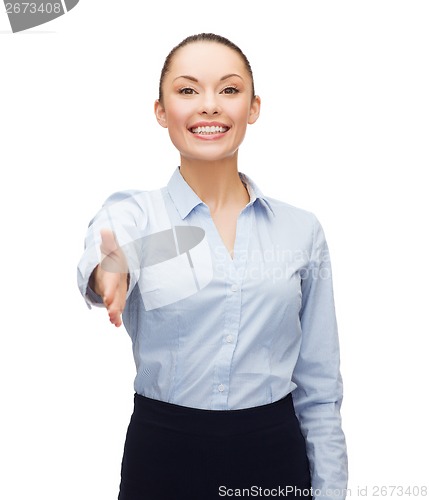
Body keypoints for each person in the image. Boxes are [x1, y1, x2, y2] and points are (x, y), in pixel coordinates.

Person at [77, 33, 348, 500]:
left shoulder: (301, 231)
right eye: (187, 90)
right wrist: (110, 269)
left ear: (253, 107)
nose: (210, 105)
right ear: (161, 111)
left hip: (274, 458)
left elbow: (320, 388)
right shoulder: (137, 215)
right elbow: (109, 249)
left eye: (228, 89)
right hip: (162, 459)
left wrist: (330, 490)